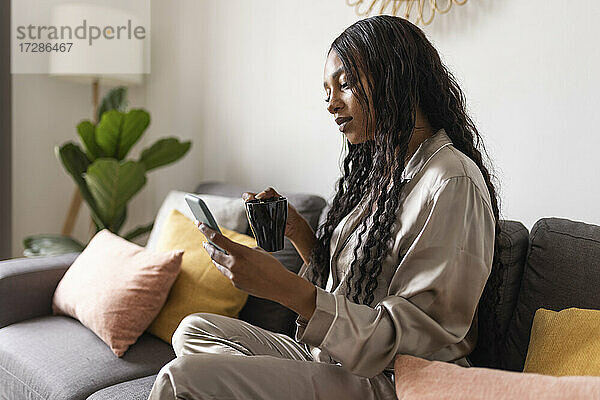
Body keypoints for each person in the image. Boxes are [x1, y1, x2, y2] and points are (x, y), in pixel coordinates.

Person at [148, 14, 500, 400]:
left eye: (345, 84)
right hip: (330, 359)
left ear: (394, 78)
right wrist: (297, 230)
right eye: (327, 91)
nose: (331, 104)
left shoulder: (450, 182)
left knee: (182, 378)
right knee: (193, 330)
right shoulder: (381, 172)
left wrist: (288, 290)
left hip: (391, 381)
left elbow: (418, 342)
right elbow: (352, 287)